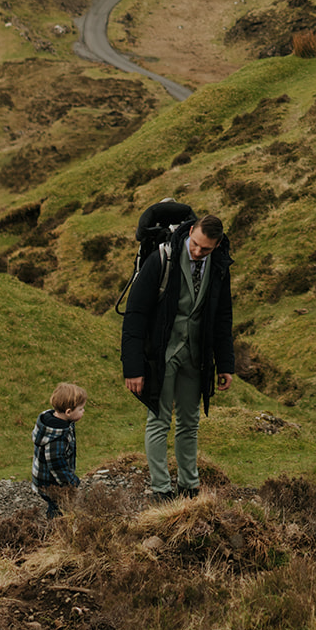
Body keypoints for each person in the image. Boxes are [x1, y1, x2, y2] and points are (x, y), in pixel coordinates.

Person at [121, 211, 234, 501]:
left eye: (205, 248)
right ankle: (160, 489)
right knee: (158, 419)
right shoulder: (162, 258)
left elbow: (222, 317)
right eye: (195, 244)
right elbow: (135, 315)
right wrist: (133, 368)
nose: (197, 251)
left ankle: (189, 485)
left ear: (217, 245)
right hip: (162, 354)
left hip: (195, 356)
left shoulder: (220, 265)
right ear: (191, 230)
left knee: (190, 421)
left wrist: (225, 364)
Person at [32, 381, 87, 518]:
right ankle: (55, 531)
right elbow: (57, 465)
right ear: (68, 412)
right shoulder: (56, 437)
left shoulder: (59, 421)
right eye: (80, 409)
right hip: (51, 483)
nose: (83, 411)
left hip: (47, 478)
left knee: (58, 505)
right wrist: (71, 482)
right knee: (58, 507)